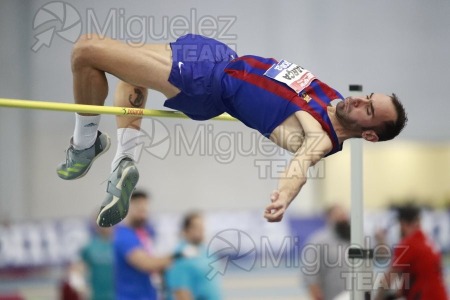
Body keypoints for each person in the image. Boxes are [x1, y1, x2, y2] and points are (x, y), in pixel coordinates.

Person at [56, 33, 408, 227]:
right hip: (218, 57)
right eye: (367, 97)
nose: (358, 101)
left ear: (371, 135)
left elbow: (300, 167)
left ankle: (85, 144)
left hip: (206, 83)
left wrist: (283, 197)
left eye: (368, 110)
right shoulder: (335, 100)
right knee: (126, 77)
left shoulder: (319, 134)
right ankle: (124, 159)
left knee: (86, 51)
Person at [374, 204, 448, 300]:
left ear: (402, 224)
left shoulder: (409, 244)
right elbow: (416, 278)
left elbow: (388, 279)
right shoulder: (425, 241)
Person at [113, 190, 173, 300]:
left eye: (145, 211)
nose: (143, 215)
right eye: (140, 210)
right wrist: (177, 256)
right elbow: (147, 264)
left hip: (148, 295)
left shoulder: (144, 233)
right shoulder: (123, 236)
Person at [164, 212, 222, 300]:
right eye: (196, 227)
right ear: (185, 230)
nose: (201, 230)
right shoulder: (180, 256)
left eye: (202, 226)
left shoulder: (205, 251)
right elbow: (181, 292)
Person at [302, 204, 351, 300]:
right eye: (339, 215)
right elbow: (310, 274)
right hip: (331, 295)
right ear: (329, 218)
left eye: (344, 215)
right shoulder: (318, 241)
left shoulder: (355, 238)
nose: (343, 218)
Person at [80, 219, 114, 300]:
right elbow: (79, 268)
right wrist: (81, 286)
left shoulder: (119, 244)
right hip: (97, 295)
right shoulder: (90, 247)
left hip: (118, 295)